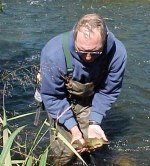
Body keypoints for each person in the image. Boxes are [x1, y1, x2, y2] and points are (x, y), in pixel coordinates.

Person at [40, 13, 127, 166]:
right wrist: (74, 130)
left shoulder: (117, 53)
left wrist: (95, 121)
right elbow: (52, 97)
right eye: (82, 51)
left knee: (92, 144)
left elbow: (108, 91)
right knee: (64, 152)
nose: (88, 58)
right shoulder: (54, 53)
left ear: (105, 39)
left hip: (90, 97)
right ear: (74, 37)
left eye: (95, 52)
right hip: (59, 98)